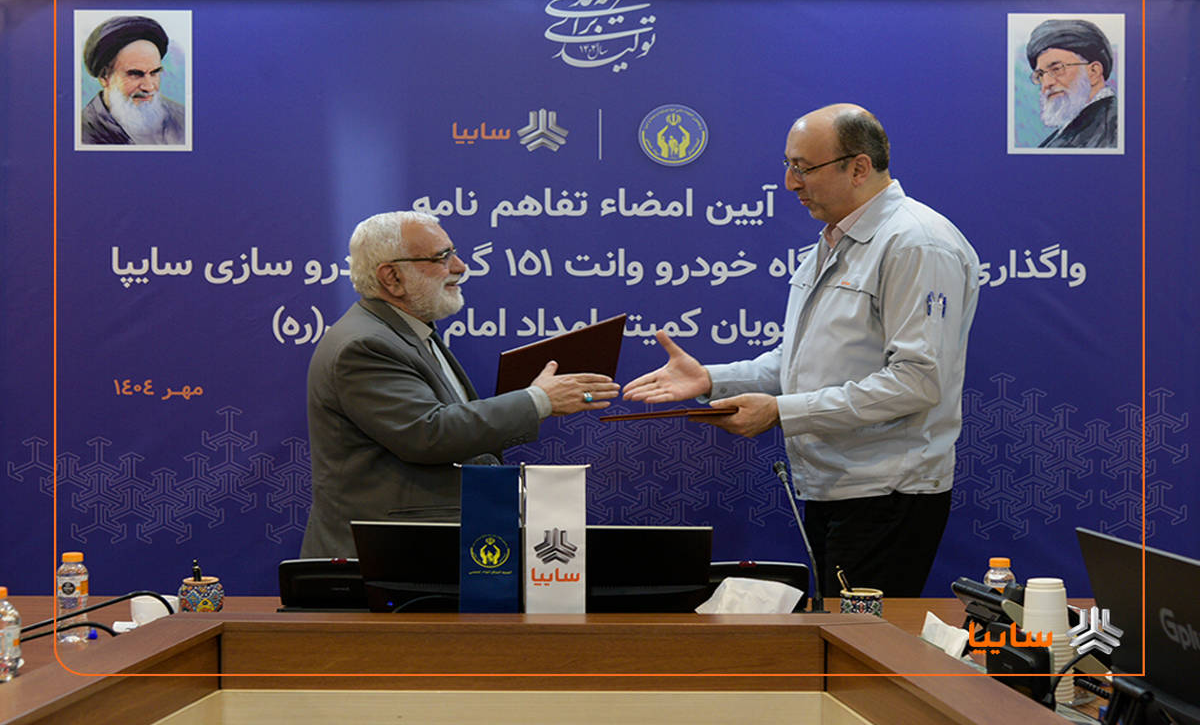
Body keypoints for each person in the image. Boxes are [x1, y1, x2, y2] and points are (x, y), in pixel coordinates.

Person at [623, 104, 980, 597]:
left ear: (859, 167)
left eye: (804, 168)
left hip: (887, 492)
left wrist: (781, 412)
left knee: (860, 641)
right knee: (836, 634)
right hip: (834, 485)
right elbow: (800, 360)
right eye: (788, 165)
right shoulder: (834, 240)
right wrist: (712, 380)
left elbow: (916, 381)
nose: (790, 183)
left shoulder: (916, 243)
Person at [300, 211, 618, 558]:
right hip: (385, 559)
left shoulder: (409, 332)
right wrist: (538, 400)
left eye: (453, 253)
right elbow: (428, 433)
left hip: (415, 552)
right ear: (392, 277)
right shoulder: (365, 345)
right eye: (442, 257)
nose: (461, 267)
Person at [81, 15, 186, 145]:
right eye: (135, 74)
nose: (149, 87)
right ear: (104, 77)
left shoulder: (183, 119)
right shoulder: (82, 132)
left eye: (154, 73)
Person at [1026, 18, 1118, 149]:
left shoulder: (1112, 128)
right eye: (1040, 75)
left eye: (1057, 69)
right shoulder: (1068, 131)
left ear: (1094, 72)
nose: (1046, 84)